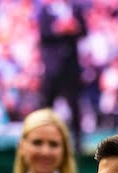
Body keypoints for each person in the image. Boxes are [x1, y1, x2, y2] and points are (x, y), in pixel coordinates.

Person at [38, 0, 87, 148]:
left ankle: (78, 143)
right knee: (47, 105)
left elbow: (84, 30)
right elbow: (43, 33)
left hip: (71, 66)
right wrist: (60, 28)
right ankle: (43, 138)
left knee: (74, 105)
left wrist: (74, 28)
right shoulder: (46, 10)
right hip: (53, 66)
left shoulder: (75, 8)